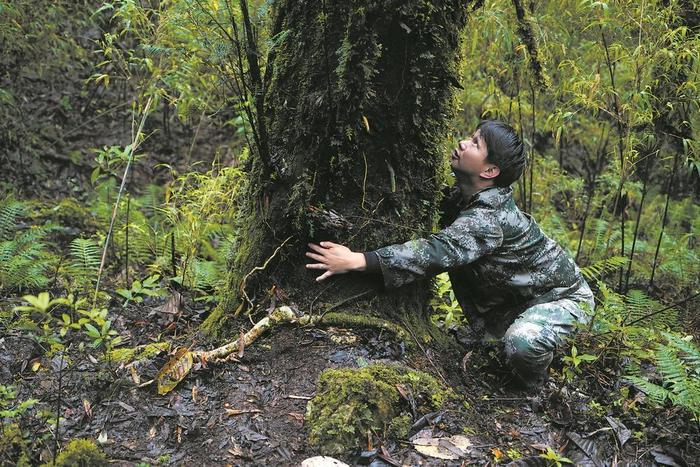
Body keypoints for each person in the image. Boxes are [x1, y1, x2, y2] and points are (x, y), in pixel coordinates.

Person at [305, 119, 594, 390]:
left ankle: (535, 387)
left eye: (476, 144)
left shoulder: (488, 219)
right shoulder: (464, 199)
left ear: (490, 171)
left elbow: (435, 252)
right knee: (504, 340)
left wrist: (358, 260)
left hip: (566, 300)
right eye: (470, 137)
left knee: (522, 344)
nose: (463, 142)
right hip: (522, 302)